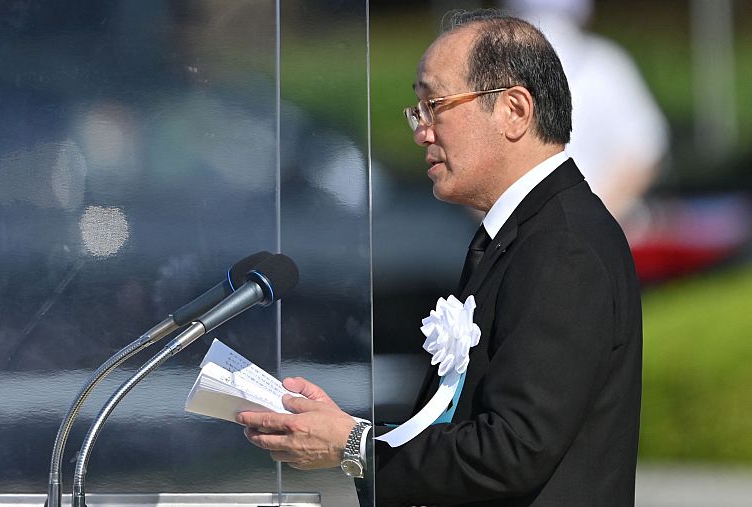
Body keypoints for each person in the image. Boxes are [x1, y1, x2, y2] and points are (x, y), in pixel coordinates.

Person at [236, 9, 642, 506]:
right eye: (417, 110)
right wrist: (353, 434)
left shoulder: (562, 245)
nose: (420, 130)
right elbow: (469, 429)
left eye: (435, 104)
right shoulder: (526, 234)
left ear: (514, 110)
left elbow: (512, 451)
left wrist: (355, 447)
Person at [503, 0, 669, 223]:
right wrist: (592, 216)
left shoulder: (490, 69)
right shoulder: (606, 64)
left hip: (516, 235)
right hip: (597, 228)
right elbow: (646, 150)